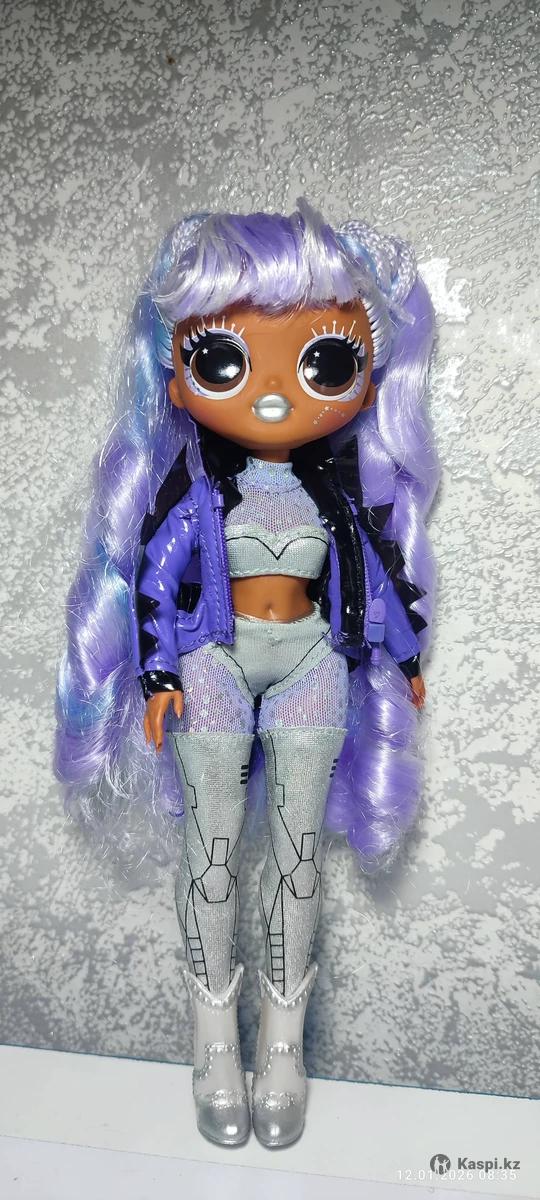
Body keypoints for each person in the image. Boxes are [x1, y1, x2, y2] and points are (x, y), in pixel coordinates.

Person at [56, 198, 440, 1148]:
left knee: (299, 856)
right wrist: (158, 676)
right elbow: (153, 577)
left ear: (366, 376)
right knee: (214, 850)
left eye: (324, 363)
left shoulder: (337, 487)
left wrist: (404, 656)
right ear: (177, 377)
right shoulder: (193, 483)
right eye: (225, 360)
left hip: (310, 658)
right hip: (213, 662)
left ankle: (283, 1046)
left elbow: (377, 569)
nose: (271, 394)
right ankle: (212, 1045)